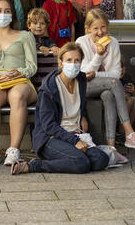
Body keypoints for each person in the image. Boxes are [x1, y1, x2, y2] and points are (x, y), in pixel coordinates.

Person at [10, 43, 110, 175]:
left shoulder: (81, 79)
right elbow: (48, 125)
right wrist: (75, 142)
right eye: (69, 60)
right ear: (61, 62)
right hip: (51, 138)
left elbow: (80, 103)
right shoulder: (49, 88)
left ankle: (67, 160)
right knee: (81, 163)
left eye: (77, 60)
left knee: (101, 159)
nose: (73, 64)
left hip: (76, 133)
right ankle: (34, 165)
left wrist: (83, 115)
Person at [75, 9, 135, 149]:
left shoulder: (114, 42)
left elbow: (116, 73)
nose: (100, 32)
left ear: (108, 26)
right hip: (83, 87)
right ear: (88, 29)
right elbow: (84, 73)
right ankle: (129, 132)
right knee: (113, 83)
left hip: (105, 85)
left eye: (103, 27)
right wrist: (98, 55)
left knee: (108, 94)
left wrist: (97, 75)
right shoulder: (81, 42)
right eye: (95, 28)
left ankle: (111, 147)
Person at [0, 0, 38, 166]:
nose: (2, 14)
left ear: (12, 14)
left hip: (21, 82)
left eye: (6, 11)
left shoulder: (25, 36)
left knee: (17, 95)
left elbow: (32, 66)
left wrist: (18, 73)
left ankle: (13, 150)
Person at [120, 58, 135, 126]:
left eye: (122, 67)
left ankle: (126, 130)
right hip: (113, 106)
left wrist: (134, 92)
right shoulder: (110, 77)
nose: (121, 70)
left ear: (125, 68)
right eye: (117, 67)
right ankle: (121, 131)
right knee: (128, 100)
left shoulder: (126, 77)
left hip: (126, 107)